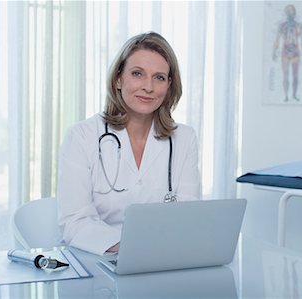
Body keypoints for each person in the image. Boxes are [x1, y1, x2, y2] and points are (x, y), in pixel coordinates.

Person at [57, 32, 201, 255]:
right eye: (137, 74)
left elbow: (188, 217)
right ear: (118, 78)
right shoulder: (81, 137)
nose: (148, 87)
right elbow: (75, 222)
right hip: (97, 259)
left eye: (159, 77)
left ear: (169, 85)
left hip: (163, 259)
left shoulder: (184, 139)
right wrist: (132, 249)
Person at [272, 4, 302, 102]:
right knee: (285, 74)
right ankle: (285, 95)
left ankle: (294, 95)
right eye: (288, 12)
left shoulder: (299, 26)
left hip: (296, 52)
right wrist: (274, 51)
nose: (290, 14)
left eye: (292, 12)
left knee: (295, 75)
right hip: (285, 52)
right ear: (286, 13)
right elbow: (277, 40)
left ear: (295, 13)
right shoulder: (282, 26)